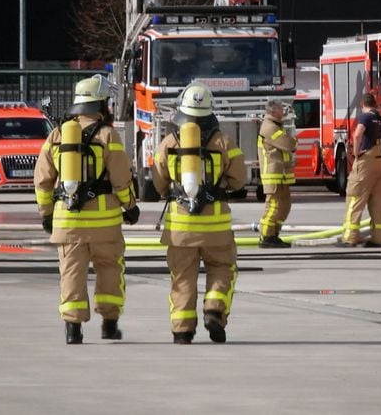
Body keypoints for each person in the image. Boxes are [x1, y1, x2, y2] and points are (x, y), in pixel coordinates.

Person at [33, 75, 140, 344]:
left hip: (68, 222)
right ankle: (109, 324)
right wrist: (130, 206)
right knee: (110, 270)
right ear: (100, 104)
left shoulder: (56, 135)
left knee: (71, 273)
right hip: (105, 224)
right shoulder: (108, 135)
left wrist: (47, 213)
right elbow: (121, 178)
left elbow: (42, 181)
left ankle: (73, 329)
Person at [152, 82, 247, 344]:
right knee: (222, 268)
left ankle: (182, 331)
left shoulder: (169, 142)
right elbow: (239, 178)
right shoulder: (224, 141)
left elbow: (158, 181)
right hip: (216, 227)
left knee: (182, 278)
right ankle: (215, 311)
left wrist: (169, 190)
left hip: (180, 228)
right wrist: (223, 185)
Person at [339, 93, 381, 248]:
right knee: (378, 203)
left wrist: (355, 152)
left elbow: (358, 134)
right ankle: (378, 239)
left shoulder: (365, 117)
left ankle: (349, 237)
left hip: (367, 159)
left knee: (355, 198)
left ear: (362, 105)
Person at [257, 99, 297, 248]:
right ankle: (266, 236)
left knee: (284, 205)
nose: (283, 110)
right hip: (273, 174)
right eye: (281, 108)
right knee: (273, 206)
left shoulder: (276, 126)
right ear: (274, 111)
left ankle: (274, 234)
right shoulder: (269, 127)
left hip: (281, 174)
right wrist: (293, 142)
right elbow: (288, 144)